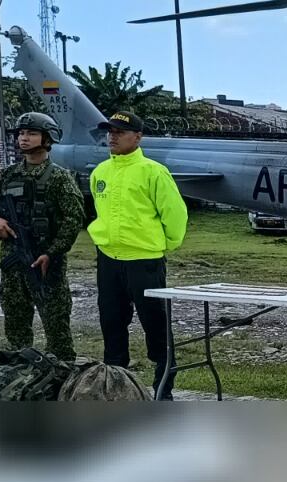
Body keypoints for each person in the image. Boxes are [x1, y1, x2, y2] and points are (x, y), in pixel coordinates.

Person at [88, 110, 188, 398]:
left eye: (119, 131)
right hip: (109, 259)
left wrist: (161, 246)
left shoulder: (153, 172)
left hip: (144, 261)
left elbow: (175, 214)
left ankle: (163, 389)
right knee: (112, 322)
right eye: (110, 131)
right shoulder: (100, 173)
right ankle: (116, 388)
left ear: (138, 137)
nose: (113, 136)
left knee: (155, 324)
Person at [0, 112, 86, 361]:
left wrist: (52, 252)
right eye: (21, 133)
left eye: (31, 133)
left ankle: (61, 376)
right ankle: (20, 371)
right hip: (12, 259)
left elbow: (73, 220)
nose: (24, 138)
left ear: (47, 139)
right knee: (15, 322)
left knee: (56, 326)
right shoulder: (8, 175)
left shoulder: (59, 178)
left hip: (45, 260)